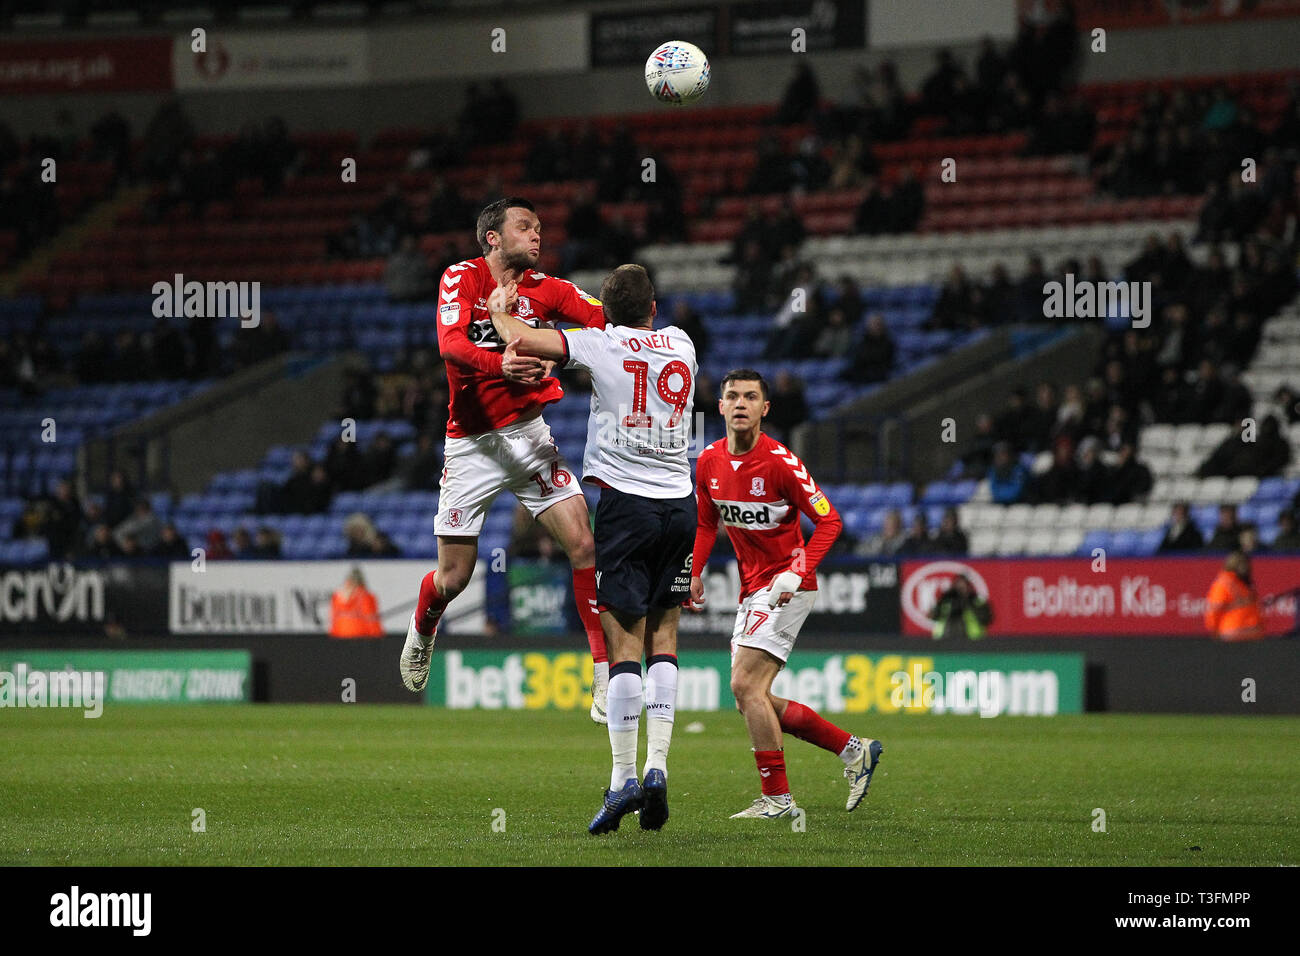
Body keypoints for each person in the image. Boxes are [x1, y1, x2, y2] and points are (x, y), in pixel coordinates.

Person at [486, 263, 696, 836]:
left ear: (608, 311)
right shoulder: (683, 343)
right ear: (654, 308)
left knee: (623, 639)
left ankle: (625, 776)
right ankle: (659, 768)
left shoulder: (600, 343)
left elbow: (528, 341)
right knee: (666, 634)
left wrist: (501, 309)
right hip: (681, 502)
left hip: (627, 508)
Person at [399, 198, 612, 727]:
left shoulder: (550, 288)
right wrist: (503, 363)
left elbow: (609, 322)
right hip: (471, 444)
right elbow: (450, 347)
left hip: (528, 435)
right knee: (454, 577)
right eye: (525, 227)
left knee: (584, 544)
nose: (536, 235)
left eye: (540, 227)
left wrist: (641, 329)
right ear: (493, 238)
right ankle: (423, 629)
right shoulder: (461, 279)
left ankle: (605, 671)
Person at [690, 369, 881, 820]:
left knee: (743, 684)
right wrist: (693, 572)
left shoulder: (780, 462)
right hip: (751, 589)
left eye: (750, 397)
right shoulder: (708, 462)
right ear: (719, 406)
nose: (740, 404)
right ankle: (853, 751)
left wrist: (798, 571)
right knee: (750, 698)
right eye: (732, 396)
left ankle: (777, 798)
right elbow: (705, 524)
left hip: (787, 588)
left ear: (764, 408)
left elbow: (831, 521)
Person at [1204, 551, 1265, 641]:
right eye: (1241, 564)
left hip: (1252, 632)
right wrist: (1213, 630)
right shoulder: (1223, 583)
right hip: (1233, 633)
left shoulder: (1244, 583)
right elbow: (1215, 609)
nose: (1246, 567)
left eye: (1246, 564)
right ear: (1233, 564)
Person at [929, 574, 992, 640]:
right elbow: (932, 616)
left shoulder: (976, 602)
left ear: (969, 587)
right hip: (945, 639)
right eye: (958, 586)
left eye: (963, 586)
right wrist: (943, 601)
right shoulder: (946, 601)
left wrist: (968, 603)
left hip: (972, 640)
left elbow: (987, 619)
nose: (961, 589)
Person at [330, 568, 384, 638]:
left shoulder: (337, 596)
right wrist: (376, 635)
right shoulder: (366, 597)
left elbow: (334, 620)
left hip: (341, 637)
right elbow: (372, 621)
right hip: (362, 638)